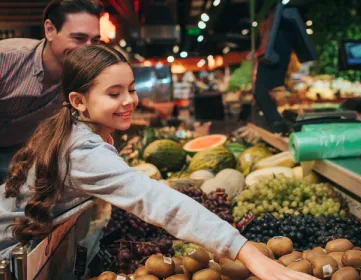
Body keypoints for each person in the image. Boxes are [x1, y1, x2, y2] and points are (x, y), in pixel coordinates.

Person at [0, 45, 317, 280]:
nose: (129, 101)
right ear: (78, 101)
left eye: (131, 89)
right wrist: (249, 253)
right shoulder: (83, 151)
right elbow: (158, 201)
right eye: (114, 93)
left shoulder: (76, 130)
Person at [0, 0, 103, 183]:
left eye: (94, 41)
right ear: (50, 30)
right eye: (78, 38)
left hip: (22, 155)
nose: (88, 50)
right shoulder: (6, 59)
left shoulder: (85, 79)